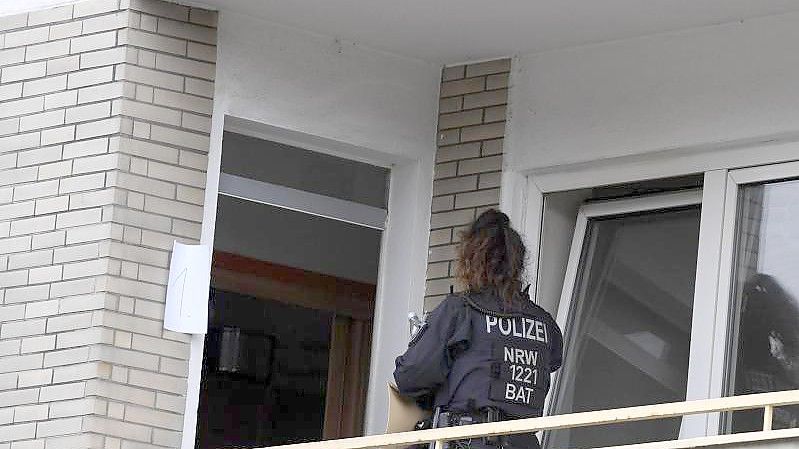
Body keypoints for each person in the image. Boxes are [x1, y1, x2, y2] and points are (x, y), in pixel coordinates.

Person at [394, 209, 563, 449]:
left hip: (469, 442)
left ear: (471, 260)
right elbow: (553, 361)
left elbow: (410, 377)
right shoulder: (544, 322)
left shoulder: (460, 310)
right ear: (517, 264)